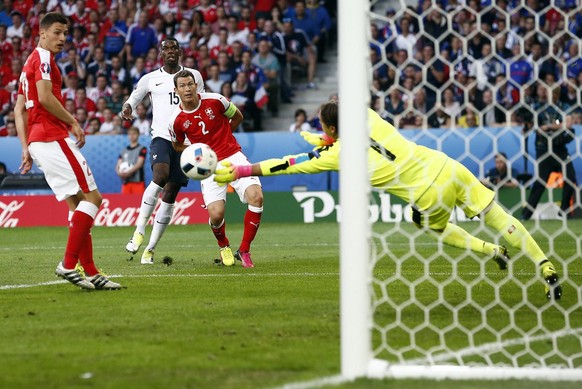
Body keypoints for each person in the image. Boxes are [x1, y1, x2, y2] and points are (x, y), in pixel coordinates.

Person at [214, 100, 563, 300]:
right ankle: (544, 264)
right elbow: (342, 125)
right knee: (498, 215)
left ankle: (488, 250)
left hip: (427, 192)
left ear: (330, 131)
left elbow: (286, 165)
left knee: (428, 225)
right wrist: (322, 135)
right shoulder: (367, 115)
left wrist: (240, 173)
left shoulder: (336, 155)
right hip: (446, 164)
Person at [14, 12, 120, 290]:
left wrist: (26, 148)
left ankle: (92, 272)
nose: (63, 38)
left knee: (77, 206)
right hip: (52, 137)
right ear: (43, 33)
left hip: (38, 141)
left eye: (65, 34)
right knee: (93, 198)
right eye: (58, 32)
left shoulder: (28, 62)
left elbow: (18, 109)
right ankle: (68, 263)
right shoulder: (45, 60)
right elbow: (46, 98)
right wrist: (73, 121)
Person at [120, 37, 205, 265]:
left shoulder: (194, 76)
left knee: (170, 194)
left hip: (185, 142)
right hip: (162, 137)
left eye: (173, 48)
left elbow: (201, 103)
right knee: (160, 176)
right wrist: (127, 108)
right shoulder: (151, 79)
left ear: (180, 52)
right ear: (160, 53)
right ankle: (138, 231)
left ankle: (150, 248)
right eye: (166, 48)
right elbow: (133, 99)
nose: (170, 52)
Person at [169, 70, 263, 268]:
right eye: (183, 86)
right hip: (208, 167)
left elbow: (237, 117)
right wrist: (197, 152)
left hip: (233, 156)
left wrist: (225, 139)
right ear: (176, 90)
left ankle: (244, 250)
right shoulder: (176, 120)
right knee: (216, 215)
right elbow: (177, 145)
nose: (187, 89)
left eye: (190, 84)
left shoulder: (216, 100)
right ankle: (224, 246)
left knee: (257, 196)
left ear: (196, 85)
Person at [520, 89, 577, 221]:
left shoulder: (564, 107)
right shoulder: (539, 108)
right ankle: (526, 214)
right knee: (540, 183)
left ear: (558, 95)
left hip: (560, 149)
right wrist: (534, 127)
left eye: (555, 94)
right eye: (551, 94)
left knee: (570, 177)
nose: (553, 96)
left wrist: (548, 127)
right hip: (544, 149)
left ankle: (564, 211)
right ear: (547, 95)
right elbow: (533, 125)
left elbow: (567, 124)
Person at [116, 126, 147, 194]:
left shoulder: (142, 149)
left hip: (138, 182)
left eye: (134, 134)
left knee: (138, 203)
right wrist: (119, 173)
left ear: (138, 135)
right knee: (126, 203)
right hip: (126, 183)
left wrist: (128, 172)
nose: (132, 136)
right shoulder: (123, 150)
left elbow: (139, 164)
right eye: (130, 134)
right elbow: (118, 165)